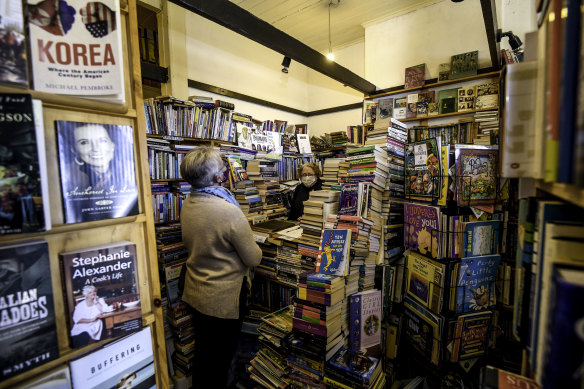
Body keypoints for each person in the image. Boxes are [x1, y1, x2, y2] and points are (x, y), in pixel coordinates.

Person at [179, 146, 262, 388]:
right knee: (220, 361)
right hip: (222, 299)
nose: (226, 170)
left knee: (204, 357)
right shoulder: (228, 211)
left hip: (195, 292)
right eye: (223, 167)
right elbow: (253, 258)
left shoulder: (189, 201)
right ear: (218, 178)